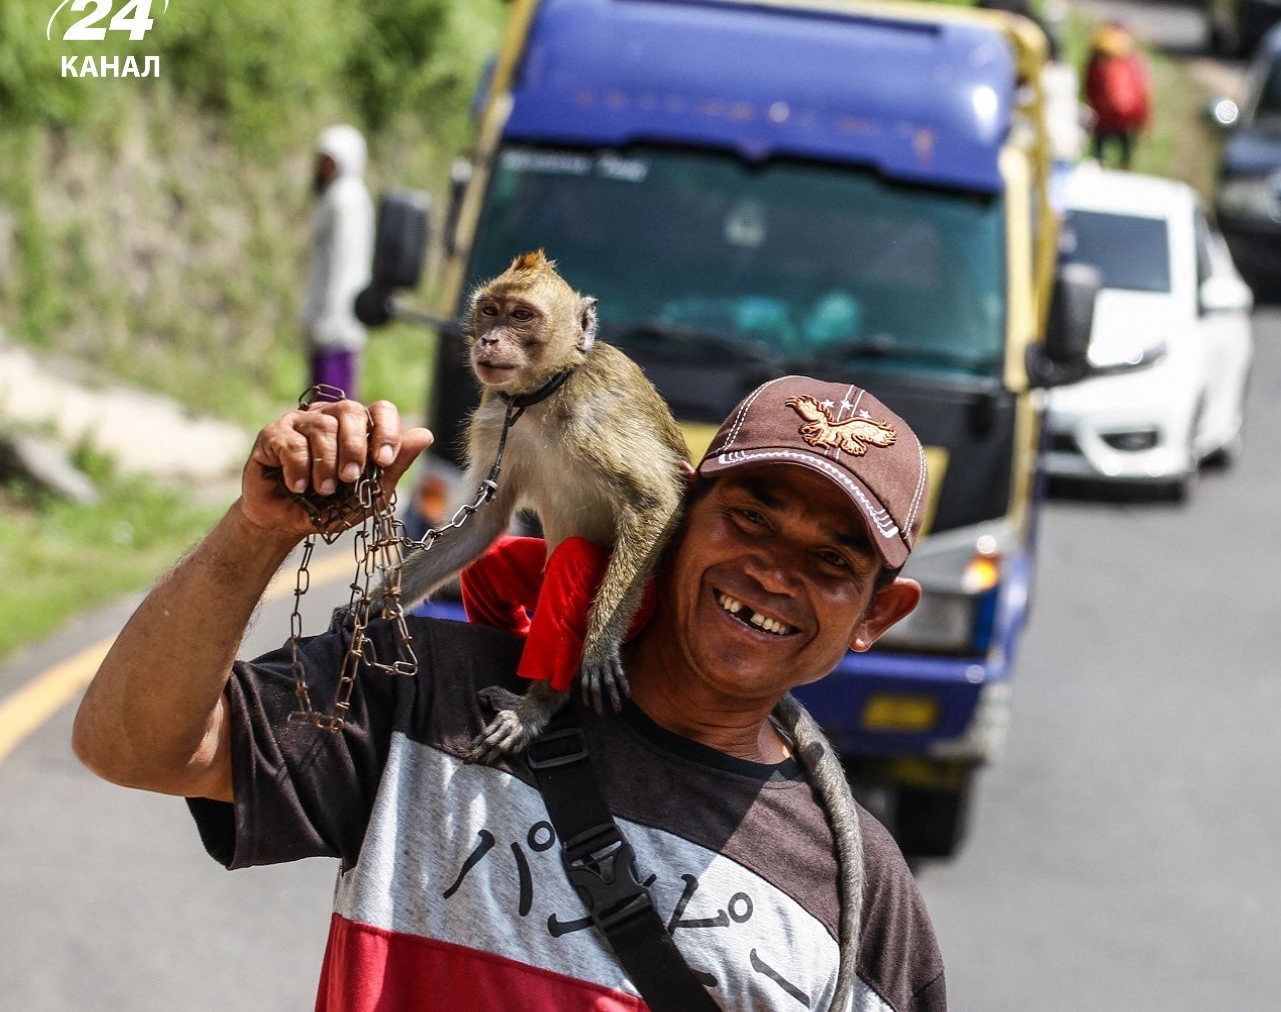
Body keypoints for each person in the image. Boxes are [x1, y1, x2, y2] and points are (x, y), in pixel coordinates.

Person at [71, 375, 946, 1011]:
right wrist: (259, 533)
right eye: (749, 518)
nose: (772, 571)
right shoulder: (431, 690)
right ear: (675, 522)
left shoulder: (858, 891)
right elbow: (131, 745)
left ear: (877, 615)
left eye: (832, 561)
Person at [302, 124, 374, 399]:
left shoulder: (346, 199)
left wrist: (331, 318)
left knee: (330, 406)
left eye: (329, 161)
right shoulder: (338, 197)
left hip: (337, 322)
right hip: (327, 317)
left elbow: (345, 265)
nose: (323, 167)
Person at [1082, 22, 1152, 170]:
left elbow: (1089, 87)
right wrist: (1143, 121)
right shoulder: (1134, 59)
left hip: (1103, 113)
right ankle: (1126, 168)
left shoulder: (1099, 53)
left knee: (1099, 150)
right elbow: (1143, 91)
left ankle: (1100, 166)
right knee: (1125, 151)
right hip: (1128, 114)